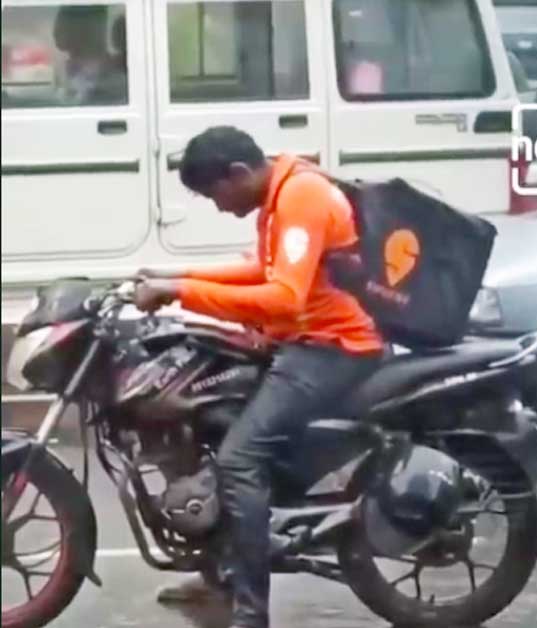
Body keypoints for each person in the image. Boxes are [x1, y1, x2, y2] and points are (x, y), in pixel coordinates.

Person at [133, 126, 384, 628]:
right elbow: (261, 272)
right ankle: (218, 572)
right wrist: (174, 279)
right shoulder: (282, 193)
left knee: (239, 460)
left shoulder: (301, 198)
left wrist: (181, 291)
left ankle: (250, 610)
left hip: (334, 348)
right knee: (209, 424)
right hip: (303, 340)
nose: (217, 206)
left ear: (238, 174)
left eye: (214, 194)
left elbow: (284, 296)